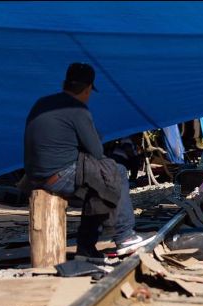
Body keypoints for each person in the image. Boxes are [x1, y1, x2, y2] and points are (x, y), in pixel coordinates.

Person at [24, 62, 153, 263]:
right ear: (87, 89)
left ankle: (86, 247)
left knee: (97, 187)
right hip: (58, 175)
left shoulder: (42, 103)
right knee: (114, 172)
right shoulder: (77, 109)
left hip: (35, 175)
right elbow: (97, 151)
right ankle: (125, 234)